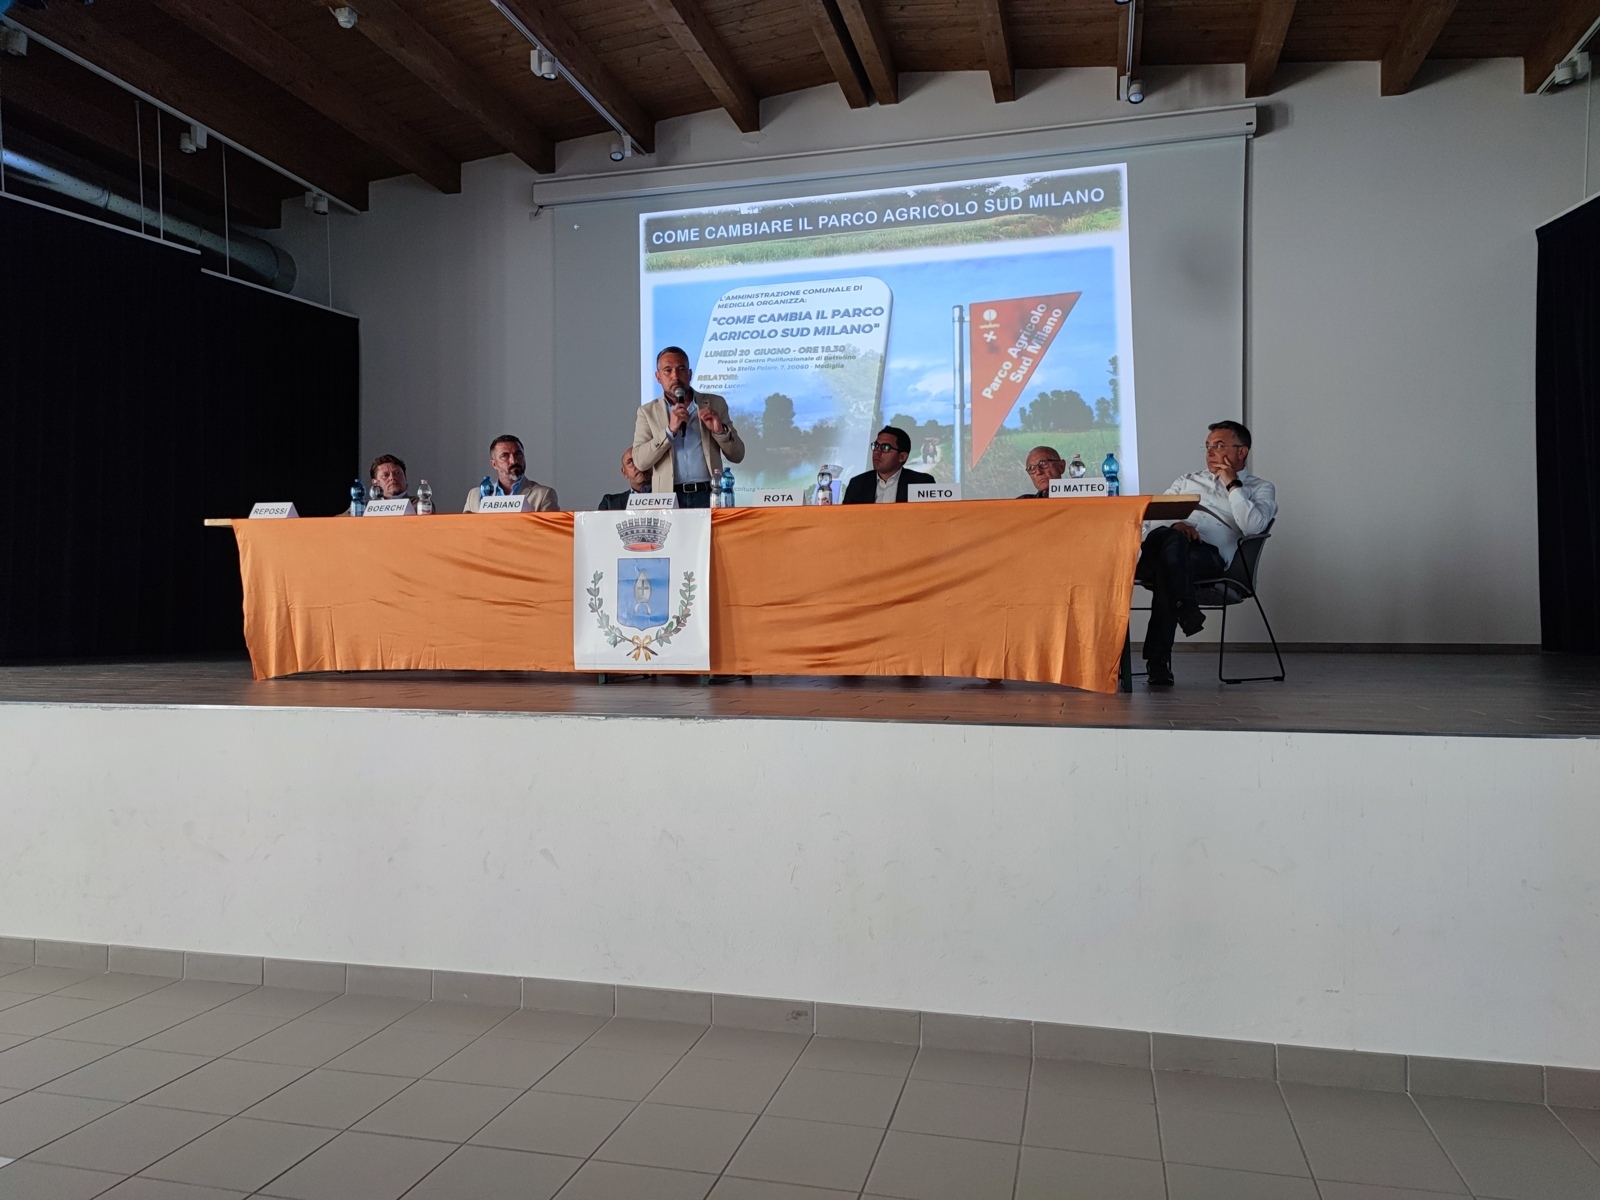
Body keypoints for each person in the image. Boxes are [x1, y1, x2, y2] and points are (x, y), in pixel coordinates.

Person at [1138, 420, 1276, 687]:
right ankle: (1181, 616)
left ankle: (1162, 652)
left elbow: (1253, 526)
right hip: (1166, 548)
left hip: (1206, 558)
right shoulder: (1187, 480)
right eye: (1208, 446)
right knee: (1171, 541)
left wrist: (1232, 485)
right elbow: (1153, 519)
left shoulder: (1260, 488)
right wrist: (1177, 525)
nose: (1210, 452)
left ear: (1242, 451)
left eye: (1219, 446)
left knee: (1168, 567)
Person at [632, 347, 744, 509]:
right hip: (668, 498)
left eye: (681, 369)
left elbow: (738, 455)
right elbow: (640, 462)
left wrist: (720, 432)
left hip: (708, 494)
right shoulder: (647, 412)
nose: (675, 376)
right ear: (658, 377)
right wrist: (669, 431)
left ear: (690, 374)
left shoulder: (715, 403)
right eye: (667, 370)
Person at [462, 434, 560, 512]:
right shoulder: (475, 496)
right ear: (494, 464)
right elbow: (465, 529)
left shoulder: (543, 495)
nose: (514, 461)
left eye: (518, 454)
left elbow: (548, 531)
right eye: (505, 456)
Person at [842, 426, 935, 504]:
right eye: (876, 446)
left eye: (885, 447)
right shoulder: (857, 484)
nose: (877, 452)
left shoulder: (922, 483)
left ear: (902, 457)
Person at [346, 453, 411, 513]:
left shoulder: (416, 506)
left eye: (397, 473)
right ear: (375, 483)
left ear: (405, 477)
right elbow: (341, 519)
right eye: (385, 475)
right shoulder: (363, 506)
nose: (392, 477)